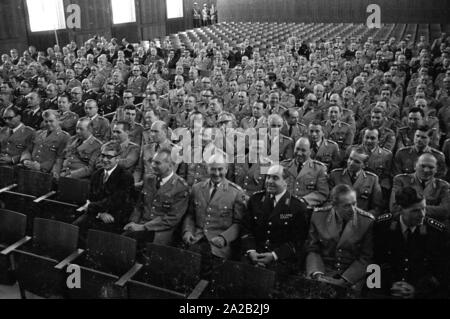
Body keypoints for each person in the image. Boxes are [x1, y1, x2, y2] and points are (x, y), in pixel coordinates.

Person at [374, 187, 449, 298]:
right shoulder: (383, 227)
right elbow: (375, 262)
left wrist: (417, 290)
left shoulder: (436, 232)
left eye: (424, 208)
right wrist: (391, 285)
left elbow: (442, 270)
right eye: (415, 211)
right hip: (388, 290)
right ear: (400, 209)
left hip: (423, 292)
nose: (422, 215)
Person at [182, 152, 246, 275]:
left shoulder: (236, 193)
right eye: (213, 169)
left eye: (220, 169)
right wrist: (187, 231)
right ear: (207, 169)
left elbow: (239, 223)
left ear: (226, 169)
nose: (217, 173)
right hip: (197, 238)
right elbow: (190, 215)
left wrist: (224, 238)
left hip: (219, 245)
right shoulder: (197, 188)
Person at [241, 164, 308, 275]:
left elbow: (298, 242)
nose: (270, 181)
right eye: (268, 177)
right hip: (253, 255)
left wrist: (274, 255)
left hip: (280, 260)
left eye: (275, 178)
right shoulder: (255, 200)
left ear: (286, 182)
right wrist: (251, 251)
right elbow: (246, 229)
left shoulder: (297, 207)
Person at [305, 184, 374, 291]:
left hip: (351, 277)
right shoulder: (318, 216)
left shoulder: (366, 222)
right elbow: (313, 249)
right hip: (323, 272)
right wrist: (317, 274)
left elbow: (366, 257)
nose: (353, 209)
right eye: (346, 206)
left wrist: (346, 280)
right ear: (334, 205)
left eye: (354, 204)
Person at [125, 149, 189, 246]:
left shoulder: (180, 187)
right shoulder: (148, 179)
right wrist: (133, 222)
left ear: (170, 165)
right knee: (122, 241)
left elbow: (172, 218)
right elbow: (139, 206)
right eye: (152, 162)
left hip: (160, 231)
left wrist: (143, 227)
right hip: (140, 225)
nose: (152, 165)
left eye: (157, 163)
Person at [79, 142, 135, 235]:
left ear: (117, 158)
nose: (104, 159)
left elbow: (116, 201)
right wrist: (100, 213)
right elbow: (91, 197)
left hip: (113, 218)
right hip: (97, 214)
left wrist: (91, 206)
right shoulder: (97, 174)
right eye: (103, 155)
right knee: (75, 228)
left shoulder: (125, 177)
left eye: (109, 157)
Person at [390, 153, 450, 221]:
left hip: (431, 227)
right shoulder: (401, 180)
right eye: (423, 166)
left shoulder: (443, 186)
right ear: (415, 166)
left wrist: (410, 208)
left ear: (436, 169)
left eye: (431, 167)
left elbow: (445, 211)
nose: (426, 170)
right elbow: (394, 207)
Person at [281, 137, 329, 208]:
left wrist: (303, 201)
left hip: (306, 210)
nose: (299, 153)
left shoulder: (319, 169)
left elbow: (322, 193)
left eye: (303, 150)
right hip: (284, 207)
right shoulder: (283, 166)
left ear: (310, 151)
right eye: (297, 149)